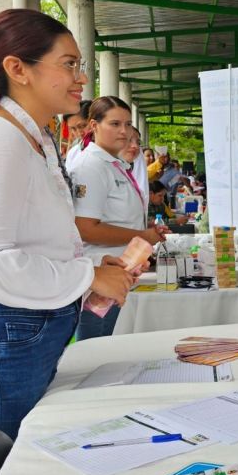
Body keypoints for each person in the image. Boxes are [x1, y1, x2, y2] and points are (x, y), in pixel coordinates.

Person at [0, 8, 134, 447]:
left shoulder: (27, 136)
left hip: (9, 338)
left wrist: (84, 270)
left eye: (81, 65)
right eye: (68, 64)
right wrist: (88, 275)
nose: (81, 79)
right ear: (18, 68)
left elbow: (29, 237)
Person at [69, 96, 164, 340]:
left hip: (120, 269)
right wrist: (141, 235)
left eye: (128, 124)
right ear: (93, 125)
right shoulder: (91, 166)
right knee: (94, 346)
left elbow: (119, 218)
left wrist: (145, 231)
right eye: (114, 124)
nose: (124, 131)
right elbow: (85, 228)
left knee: (106, 343)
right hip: (99, 270)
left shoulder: (115, 163)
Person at [62, 100, 91, 165]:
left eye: (83, 126)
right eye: (73, 128)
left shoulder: (112, 149)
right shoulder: (73, 152)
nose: (79, 133)